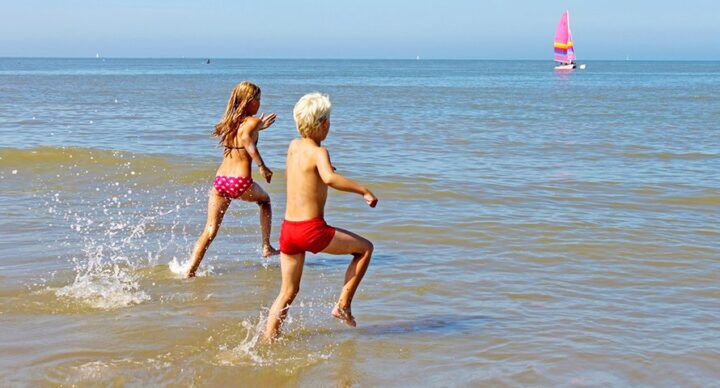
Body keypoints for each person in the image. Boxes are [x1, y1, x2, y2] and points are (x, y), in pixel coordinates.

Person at [264, 92, 378, 341]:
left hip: (288, 231)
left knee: (287, 292)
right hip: (311, 230)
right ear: (324, 124)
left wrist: (324, 170)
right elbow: (328, 178)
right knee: (365, 249)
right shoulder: (320, 152)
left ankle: (268, 341)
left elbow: (306, 174)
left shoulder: (293, 147)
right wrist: (364, 190)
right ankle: (343, 305)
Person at [186, 81, 279, 278]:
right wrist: (262, 166)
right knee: (265, 201)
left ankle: (190, 271)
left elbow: (242, 133)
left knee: (210, 231)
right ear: (250, 101)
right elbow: (245, 138)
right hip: (240, 182)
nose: (260, 103)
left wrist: (259, 128)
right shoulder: (251, 123)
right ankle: (266, 246)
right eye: (258, 99)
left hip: (220, 181)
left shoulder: (229, 123)